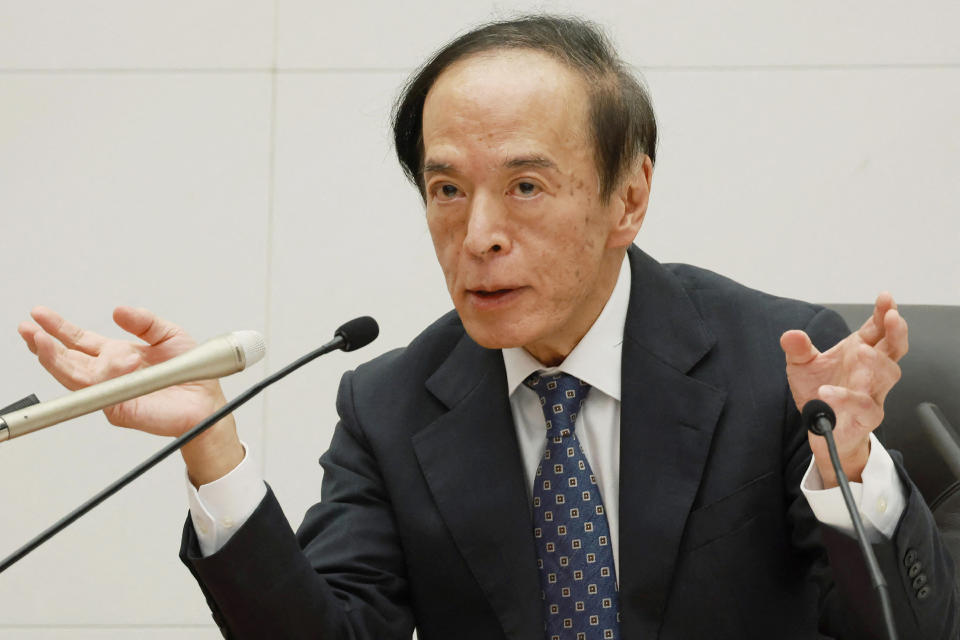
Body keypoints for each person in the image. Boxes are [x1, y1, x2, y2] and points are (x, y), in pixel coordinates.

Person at [18, 15, 958, 640]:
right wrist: (213, 451)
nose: (478, 237)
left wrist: (858, 476)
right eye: (446, 190)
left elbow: (907, 629)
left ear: (628, 196)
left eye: (525, 186)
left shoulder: (776, 363)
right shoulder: (389, 404)